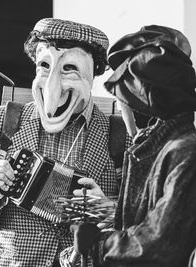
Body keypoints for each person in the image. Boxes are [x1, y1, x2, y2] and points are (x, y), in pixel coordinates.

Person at [0, 18, 130, 267]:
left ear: (92, 75)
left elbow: (142, 227)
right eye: (45, 66)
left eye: (69, 68)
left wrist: (103, 211)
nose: (52, 86)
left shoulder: (120, 135)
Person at [70, 25, 196, 267]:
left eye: (123, 100)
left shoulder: (184, 151)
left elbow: (160, 242)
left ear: (143, 103)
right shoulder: (158, 148)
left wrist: (100, 245)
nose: (121, 109)